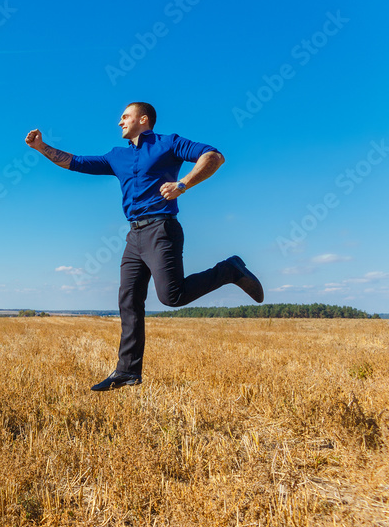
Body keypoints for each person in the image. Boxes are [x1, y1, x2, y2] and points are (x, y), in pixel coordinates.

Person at [25, 102, 264, 392]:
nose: (120, 122)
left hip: (162, 229)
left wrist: (183, 184)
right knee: (128, 300)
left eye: (125, 116)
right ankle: (127, 372)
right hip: (133, 235)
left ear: (143, 119)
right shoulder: (117, 156)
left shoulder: (168, 143)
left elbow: (214, 156)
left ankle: (230, 270)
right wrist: (41, 147)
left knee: (172, 296)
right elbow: (75, 162)